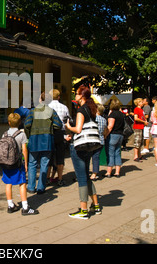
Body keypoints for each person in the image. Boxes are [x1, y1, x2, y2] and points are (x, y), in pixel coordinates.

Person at [65, 86, 102, 220]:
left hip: (79, 147)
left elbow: (79, 129)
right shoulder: (91, 109)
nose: (75, 95)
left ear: (82, 96)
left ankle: (83, 209)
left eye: (76, 94)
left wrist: (69, 128)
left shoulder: (81, 110)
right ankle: (96, 205)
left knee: (81, 177)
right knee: (86, 176)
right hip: (89, 146)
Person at [24, 92, 62, 194]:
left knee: (32, 164)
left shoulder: (32, 111)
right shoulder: (51, 111)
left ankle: (31, 187)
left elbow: (27, 125)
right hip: (47, 141)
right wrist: (50, 130)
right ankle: (41, 188)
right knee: (44, 164)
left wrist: (29, 136)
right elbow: (59, 125)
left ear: (40, 99)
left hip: (34, 140)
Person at [1, 113, 38, 215]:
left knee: (8, 184)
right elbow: (24, 150)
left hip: (6, 163)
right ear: (20, 122)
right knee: (22, 183)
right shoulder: (21, 134)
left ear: (9, 122)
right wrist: (26, 163)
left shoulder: (4, 134)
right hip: (17, 163)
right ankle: (25, 207)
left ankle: (10, 205)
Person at [47, 89, 72, 186]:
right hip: (60, 133)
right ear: (58, 97)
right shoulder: (64, 107)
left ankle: (48, 178)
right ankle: (60, 179)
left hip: (49, 133)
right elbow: (68, 120)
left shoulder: (47, 107)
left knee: (49, 157)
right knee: (60, 157)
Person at [104, 99, 125, 177]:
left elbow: (110, 126)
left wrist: (105, 135)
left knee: (110, 153)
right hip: (120, 135)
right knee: (117, 153)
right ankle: (117, 172)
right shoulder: (121, 114)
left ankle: (109, 172)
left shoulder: (112, 114)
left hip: (113, 135)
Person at [91, 104, 108, 180]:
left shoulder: (93, 118)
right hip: (100, 140)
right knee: (96, 157)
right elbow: (105, 131)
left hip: (92, 139)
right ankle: (95, 173)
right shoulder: (104, 120)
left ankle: (87, 173)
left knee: (88, 157)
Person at [133, 98, 148, 162]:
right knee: (137, 141)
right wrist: (143, 122)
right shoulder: (136, 109)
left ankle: (139, 155)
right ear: (138, 103)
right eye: (141, 102)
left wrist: (145, 122)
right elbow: (136, 118)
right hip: (137, 127)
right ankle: (136, 156)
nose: (142, 103)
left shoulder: (141, 110)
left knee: (140, 141)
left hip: (141, 127)